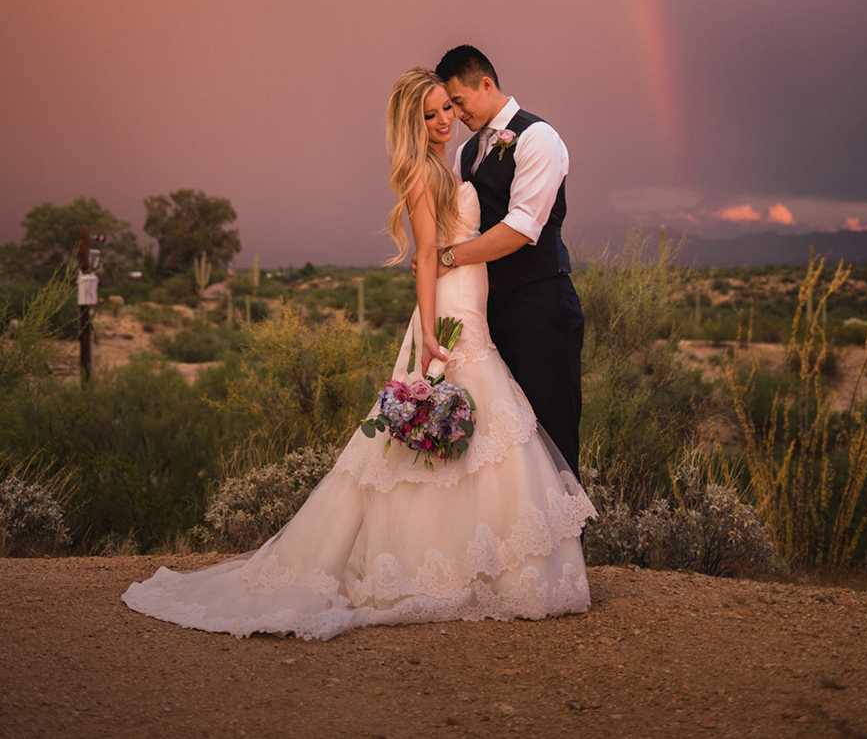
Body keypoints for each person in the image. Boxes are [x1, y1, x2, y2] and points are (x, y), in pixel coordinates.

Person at [122, 68, 595, 639]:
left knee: (491, 433)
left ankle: (484, 565)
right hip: (449, 309)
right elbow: (426, 257)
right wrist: (428, 332)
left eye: (448, 107)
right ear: (411, 124)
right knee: (463, 425)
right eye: (431, 114)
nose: (445, 120)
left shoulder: (463, 158)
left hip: (477, 305)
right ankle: (440, 566)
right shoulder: (424, 174)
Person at [431, 44, 589, 481]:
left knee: (552, 435)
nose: (456, 114)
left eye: (458, 102)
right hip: (488, 314)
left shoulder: (539, 137)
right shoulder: (466, 153)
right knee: (505, 444)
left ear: (486, 84)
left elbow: (522, 228)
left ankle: (567, 550)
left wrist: (448, 257)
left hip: (542, 307)